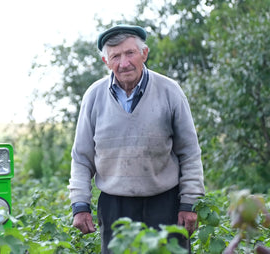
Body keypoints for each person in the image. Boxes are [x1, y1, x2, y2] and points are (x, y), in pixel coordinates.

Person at [67, 24, 205, 253]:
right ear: (106, 62)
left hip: (165, 204)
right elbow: (81, 158)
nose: (124, 63)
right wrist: (80, 204)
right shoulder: (94, 96)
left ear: (144, 53)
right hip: (115, 206)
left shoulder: (170, 91)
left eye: (130, 53)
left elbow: (189, 153)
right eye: (115, 56)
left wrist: (189, 202)